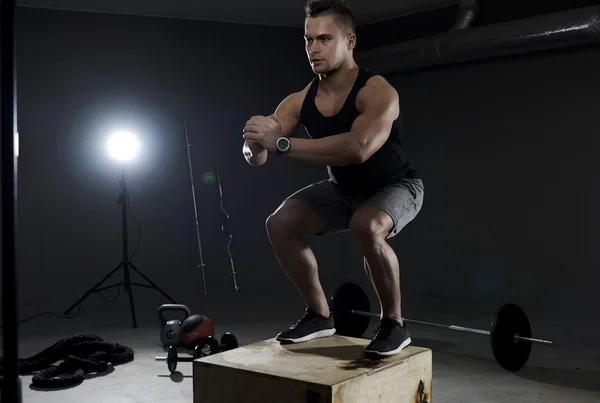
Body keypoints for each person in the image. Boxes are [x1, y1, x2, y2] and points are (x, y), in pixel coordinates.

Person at [241, 0, 424, 357]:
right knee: (279, 223)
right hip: (342, 191)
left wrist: (278, 142)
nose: (314, 49)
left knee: (366, 225)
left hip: (395, 186)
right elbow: (258, 156)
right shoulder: (299, 100)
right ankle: (319, 315)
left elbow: (357, 148)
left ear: (350, 41)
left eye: (324, 39)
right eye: (308, 40)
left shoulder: (378, 91)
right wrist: (252, 141)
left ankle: (394, 325)